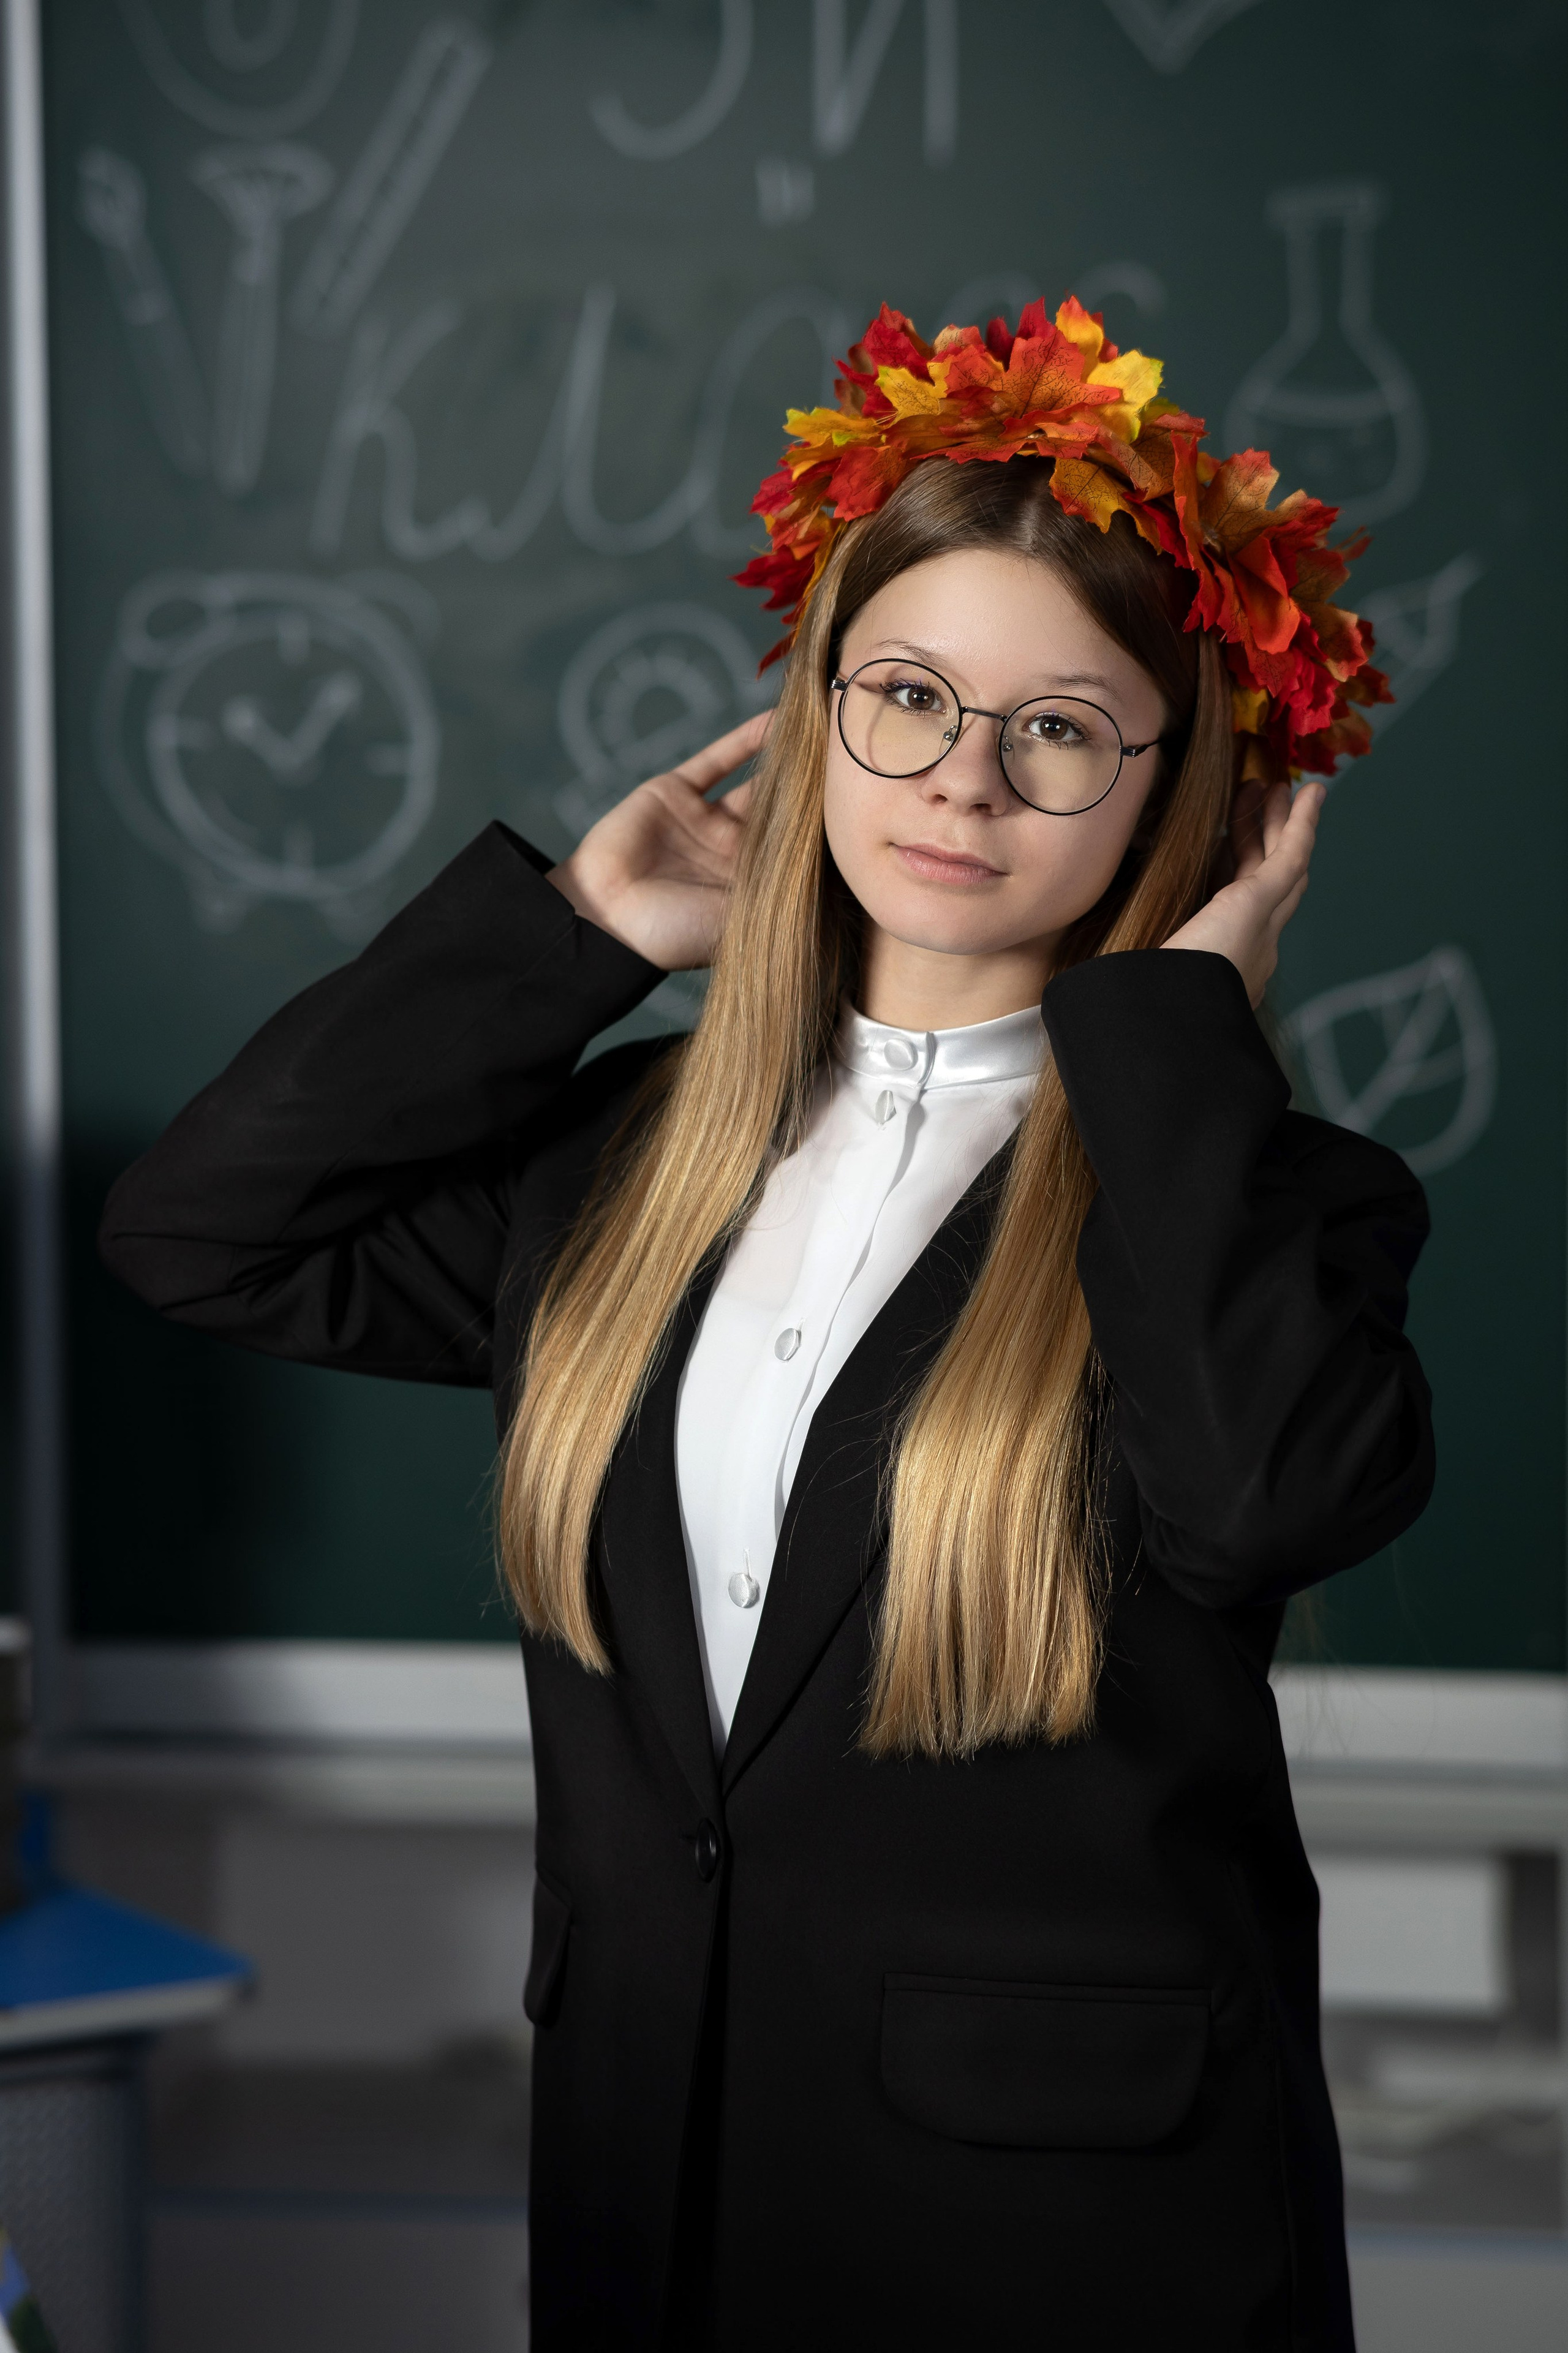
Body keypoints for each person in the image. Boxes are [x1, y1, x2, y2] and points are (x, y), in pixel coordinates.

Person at [101, 297, 1433, 2351]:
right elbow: (205, 1228)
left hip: (1070, 2255)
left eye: (1061, 729)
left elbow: (1260, 1503)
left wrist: (1182, 1025)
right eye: (905, 692)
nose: (961, 780)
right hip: (658, 2185)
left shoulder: (1265, 1206)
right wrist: (582, 931)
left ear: (1185, 789)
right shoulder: (626, 1175)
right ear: (819, 708)